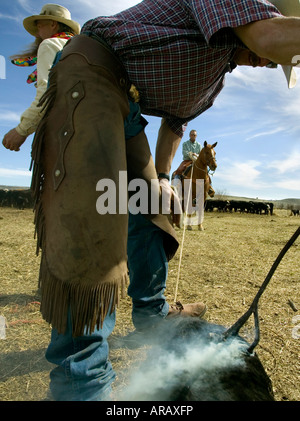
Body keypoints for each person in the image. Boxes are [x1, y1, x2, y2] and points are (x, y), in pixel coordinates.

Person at [3, 0, 300, 402]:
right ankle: (82, 384)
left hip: (129, 109)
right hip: (91, 78)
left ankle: (151, 316)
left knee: (150, 208)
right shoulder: (244, 7)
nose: (267, 64)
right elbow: (268, 36)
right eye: (276, 61)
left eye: (274, 66)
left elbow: (175, 122)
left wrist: (161, 177)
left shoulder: (217, 74)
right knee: (90, 237)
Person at [2, 4, 80, 152]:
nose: (37, 34)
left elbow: (47, 91)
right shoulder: (82, 46)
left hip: (68, 128)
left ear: (53, 24)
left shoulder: (50, 44)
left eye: (39, 27)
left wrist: (21, 130)